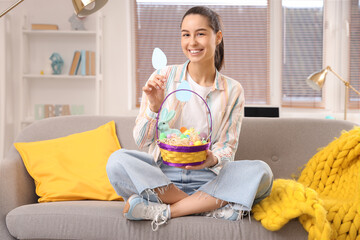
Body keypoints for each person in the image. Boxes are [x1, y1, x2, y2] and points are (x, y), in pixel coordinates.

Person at [106, 6, 273, 231]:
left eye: (200, 33)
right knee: (117, 161)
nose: (192, 42)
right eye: (186, 34)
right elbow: (141, 140)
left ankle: (167, 210)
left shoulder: (233, 89)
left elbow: (227, 148)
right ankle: (206, 207)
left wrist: (212, 159)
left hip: (209, 179)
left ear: (218, 37)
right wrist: (155, 108)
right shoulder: (163, 77)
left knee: (262, 172)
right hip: (163, 177)